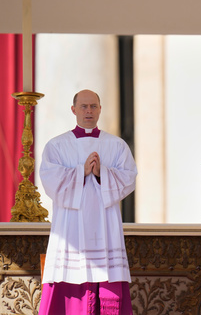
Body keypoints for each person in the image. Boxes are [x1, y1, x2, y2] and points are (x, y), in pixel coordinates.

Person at [38, 90, 137, 315]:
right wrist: (81, 172)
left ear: (100, 109)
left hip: (106, 226)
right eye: (83, 107)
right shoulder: (57, 146)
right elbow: (50, 181)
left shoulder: (116, 145)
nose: (89, 111)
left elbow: (129, 177)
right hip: (70, 229)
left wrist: (103, 173)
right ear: (73, 110)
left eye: (93, 106)